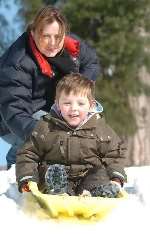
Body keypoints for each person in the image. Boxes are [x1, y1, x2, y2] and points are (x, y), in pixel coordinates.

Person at [0, 5, 100, 169]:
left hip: (49, 108)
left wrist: (77, 89)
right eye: (46, 36)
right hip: (10, 120)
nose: (53, 43)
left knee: (83, 119)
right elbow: (15, 112)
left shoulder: (71, 46)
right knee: (48, 131)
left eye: (58, 36)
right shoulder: (17, 64)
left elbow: (92, 63)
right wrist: (46, 134)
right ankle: (17, 164)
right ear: (33, 32)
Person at [16, 73, 127, 197]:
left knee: (100, 172)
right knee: (53, 171)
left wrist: (116, 177)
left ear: (91, 105)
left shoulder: (99, 127)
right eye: (67, 103)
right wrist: (27, 178)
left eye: (80, 104)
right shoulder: (46, 126)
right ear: (58, 104)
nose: (74, 108)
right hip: (57, 176)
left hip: (88, 176)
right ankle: (59, 193)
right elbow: (28, 153)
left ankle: (97, 193)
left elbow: (115, 153)